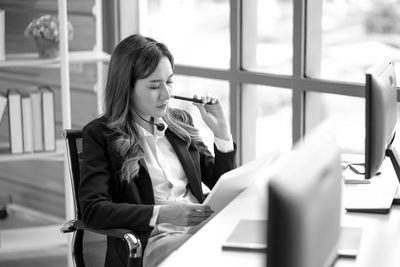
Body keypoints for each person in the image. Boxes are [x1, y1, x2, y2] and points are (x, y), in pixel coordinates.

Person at [79, 33, 236, 267]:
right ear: (127, 88)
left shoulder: (181, 123)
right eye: (154, 86)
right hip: (153, 241)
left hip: (202, 231)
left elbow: (220, 182)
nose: (166, 94)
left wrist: (222, 134)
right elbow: (93, 209)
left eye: (169, 82)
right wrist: (162, 213)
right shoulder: (101, 134)